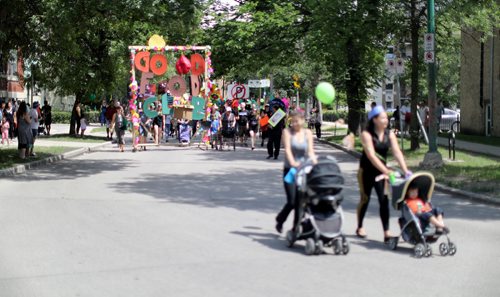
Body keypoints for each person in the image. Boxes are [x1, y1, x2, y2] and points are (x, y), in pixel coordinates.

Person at [356, 106, 411, 243]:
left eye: (386, 117)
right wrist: (387, 170)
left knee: (384, 200)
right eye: (382, 118)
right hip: (366, 172)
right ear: (374, 120)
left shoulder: (390, 134)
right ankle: (360, 226)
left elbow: (397, 152)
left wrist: (405, 170)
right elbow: (371, 155)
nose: (386, 120)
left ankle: (386, 232)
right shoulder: (366, 134)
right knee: (365, 199)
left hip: (381, 174)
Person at [275, 111, 317, 233]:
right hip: (291, 170)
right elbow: (287, 149)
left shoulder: (307, 133)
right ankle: (280, 219)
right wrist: (293, 163)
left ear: (303, 121)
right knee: (292, 201)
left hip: (304, 170)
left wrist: (315, 163)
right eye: (292, 121)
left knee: (301, 201)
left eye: (296, 121)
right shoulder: (287, 132)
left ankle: (296, 227)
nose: (294, 123)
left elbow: (310, 151)